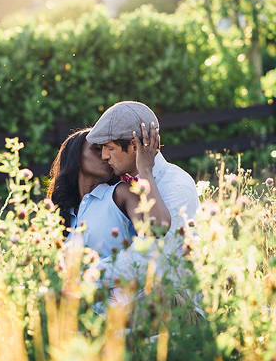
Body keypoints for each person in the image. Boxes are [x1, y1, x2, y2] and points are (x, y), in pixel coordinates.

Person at [86, 100, 200, 280]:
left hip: (174, 299)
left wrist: (87, 276)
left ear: (134, 146)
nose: (104, 156)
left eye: (109, 148)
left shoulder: (176, 185)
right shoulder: (117, 181)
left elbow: (148, 257)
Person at [47, 123, 170, 258]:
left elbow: (158, 229)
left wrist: (145, 170)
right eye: (97, 149)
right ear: (76, 158)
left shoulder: (120, 193)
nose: (105, 156)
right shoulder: (63, 211)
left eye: (109, 149)